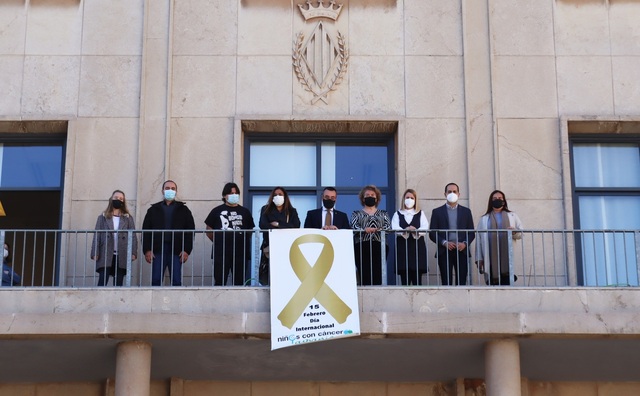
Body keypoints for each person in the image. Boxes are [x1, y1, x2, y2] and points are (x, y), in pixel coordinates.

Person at [142, 180, 195, 286]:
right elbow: (146, 231)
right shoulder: (153, 210)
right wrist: (147, 250)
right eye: (167, 188)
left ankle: (176, 302)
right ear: (162, 191)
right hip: (158, 249)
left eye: (172, 189)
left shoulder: (184, 210)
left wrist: (186, 250)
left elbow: (190, 231)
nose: (170, 190)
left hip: (176, 250)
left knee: (176, 280)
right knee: (156, 279)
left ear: (176, 192)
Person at [204, 182, 255, 286]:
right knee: (219, 281)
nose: (234, 195)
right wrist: (218, 240)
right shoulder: (216, 211)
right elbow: (208, 229)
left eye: (236, 193)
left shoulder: (245, 212)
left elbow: (250, 230)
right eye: (231, 193)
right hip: (221, 252)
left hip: (241, 252)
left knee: (239, 281)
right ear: (224, 196)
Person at [429, 182, 475, 286]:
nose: (452, 193)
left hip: (461, 250)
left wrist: (465, 243)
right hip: (444, 251)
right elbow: (432, 233)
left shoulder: (466, 212)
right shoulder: (437, 212)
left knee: (462, 282)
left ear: (459, 194)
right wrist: (444, 242)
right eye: (449, 191)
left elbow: (471, 232)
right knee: (446, 282)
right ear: (445, 194)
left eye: (454, 191)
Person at [475, 190, 523, 286]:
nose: (498, 200)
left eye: (500, 198)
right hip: (490, 254)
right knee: (492, 280)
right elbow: (479, 240)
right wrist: (479, 258)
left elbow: (521, 233)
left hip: (506, 253)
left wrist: (514, 232)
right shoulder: (484, 219)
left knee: (508, 279)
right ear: (490, 201)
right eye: (495, 198)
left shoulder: (512, 216)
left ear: (504, 201)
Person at [90, 190, 138, 286]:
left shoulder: (128, 218)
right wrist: (95, 252)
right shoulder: (102, 217)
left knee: (119, 282)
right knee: (103, 280)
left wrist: (133, 252)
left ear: (123, 201)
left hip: (122, 253)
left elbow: (133, 236)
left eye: (121, 198)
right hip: (105, 252)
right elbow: (97, 235)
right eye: (116, 198)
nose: (118, 200)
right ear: (111, 199)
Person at [258, 186, 301, 285]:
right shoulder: (265, 209)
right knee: (268, 274)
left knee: (285, 273)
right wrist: (285, 226)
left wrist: (277, 224)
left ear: (285, 196)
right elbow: (263, 225)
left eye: (280, 194)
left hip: (287, 247)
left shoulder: (291, 211)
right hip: (270, 246)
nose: (278, 196)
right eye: (275, 195)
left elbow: (296, 225)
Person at [350, 185, 391, 285]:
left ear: (376, 198)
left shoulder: (383, 213)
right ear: (363, 199)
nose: (370, 196)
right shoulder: (356, 213)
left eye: (372, 195)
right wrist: (364, 230)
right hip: (361, 246)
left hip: (379, 245)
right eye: (367, 195)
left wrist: (378, 229)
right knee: (364, 271)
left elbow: (388, 227)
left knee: (378, 271)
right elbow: (353, 227)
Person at [391, 189, 429, 286]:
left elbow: (425, 227)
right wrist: (406, 229)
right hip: (403, 249)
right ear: (403, 199)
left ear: (415, 200)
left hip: (417, 248)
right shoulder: (397, 213)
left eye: (412, 198)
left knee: (417, 279)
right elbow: (395, 227)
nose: (409, 199)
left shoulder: (420, 213)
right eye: (407, 197)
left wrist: (415, 230)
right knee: (404, 279)